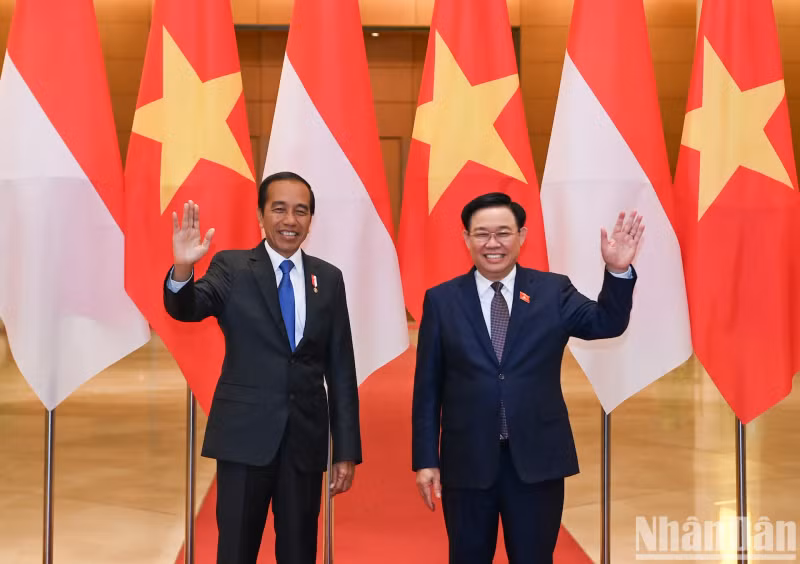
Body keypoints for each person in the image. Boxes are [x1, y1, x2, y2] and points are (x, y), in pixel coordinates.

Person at [412, 192, 643, 563]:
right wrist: (426, 459)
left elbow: (606, 323)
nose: (493, 243)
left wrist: (617, 272)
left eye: (503, 233)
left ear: (522, 235)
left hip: (538, 462)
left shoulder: (553, 292)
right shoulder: (442, 300)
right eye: (482, 234)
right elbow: (427, 389)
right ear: (466, 238)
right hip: (467, 463)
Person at [164, 171, 361, 564]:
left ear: (311, 220)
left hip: (304, 442)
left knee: (299, 552)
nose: (290, 220)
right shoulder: (232, 268)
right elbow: (187, 308)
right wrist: (183, 269)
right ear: (260, 214)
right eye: (279, 209)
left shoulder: (328, 278)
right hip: (244, 439)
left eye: (301, 211)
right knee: (236, 551)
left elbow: (341, 369)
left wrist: (346, 449)